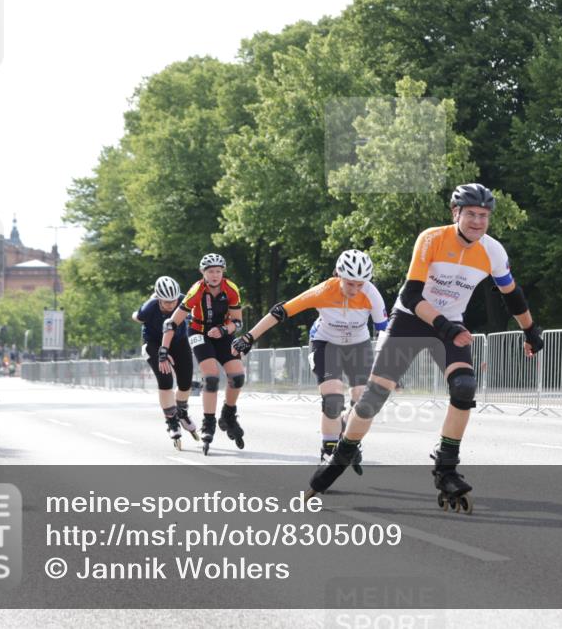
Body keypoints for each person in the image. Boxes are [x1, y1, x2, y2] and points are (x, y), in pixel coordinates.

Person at [307, 183, 545, 510]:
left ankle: (446, 468)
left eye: (484, 216)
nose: (478, 222)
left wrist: (530, 330)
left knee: (464, 386)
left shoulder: (493, 251)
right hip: (410, 320)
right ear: (456, 213)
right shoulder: (432, 239)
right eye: (471, 214)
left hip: (449, 325)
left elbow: (512, 295)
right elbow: (410, 295)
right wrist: (445, 325)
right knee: (372, 400)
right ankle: (340, 457)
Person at [233, 250, 388, 469]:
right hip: (326, 343)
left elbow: (384, 331)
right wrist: (249, 338)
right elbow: (280, 312)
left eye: (360, 284)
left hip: (358, 345)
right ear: (338, 275)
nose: (355, 290)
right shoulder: (323, 291)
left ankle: (346, 431)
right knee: (333, 399)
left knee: (364, 402)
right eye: (350, 283)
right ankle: (328, 451)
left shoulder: (371, 294)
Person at [160, 254, 245, 455]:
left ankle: (228, 413)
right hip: (199, 332)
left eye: (218, 271)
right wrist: (163, 350)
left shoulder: (231, 289)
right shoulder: (196, 290)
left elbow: (238, 322)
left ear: (223, 272)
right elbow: (172, 323)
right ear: (203, 273)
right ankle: (208, 422)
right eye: (210, 271)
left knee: (238, 377)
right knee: (212, 378)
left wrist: (224, 330)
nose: (215, 275)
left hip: (222, 333)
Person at [132, 276, 200, 449]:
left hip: (178, 341)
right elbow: (137, 317)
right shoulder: (150, 306)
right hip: (154, 343)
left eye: (173, 301)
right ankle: (171, 420)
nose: (171, 305)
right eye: (166, 302)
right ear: (158, 298)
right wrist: (140, 317)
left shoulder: (184, 300)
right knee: (165, 379)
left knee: (185, 381)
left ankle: (182, 412)